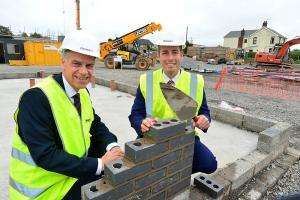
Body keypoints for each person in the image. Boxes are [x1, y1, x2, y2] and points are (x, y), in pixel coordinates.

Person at [9, 30, 124, 200]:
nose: (84, 72)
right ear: (63, 62)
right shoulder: (36, 99)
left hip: (69, 174)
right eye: (77, 64)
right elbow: (46, 155)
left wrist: (111, 146)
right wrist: (100, 164)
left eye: (89, 65)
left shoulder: (82, 93)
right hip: (43, 190)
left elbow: (95, 124)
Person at [129, 39, 217, 174]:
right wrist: (141, 123)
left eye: (174, 52)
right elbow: (135, 114)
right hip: (153, 137)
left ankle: (171, 171)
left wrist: (205, 119)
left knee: (209, 164)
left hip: (185, 136)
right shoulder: (147, 80)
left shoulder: (195, 81)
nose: (170, 58)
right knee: (134, 168)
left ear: (181, 55)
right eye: (165, 53)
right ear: (158, 56)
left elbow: (204, 111)